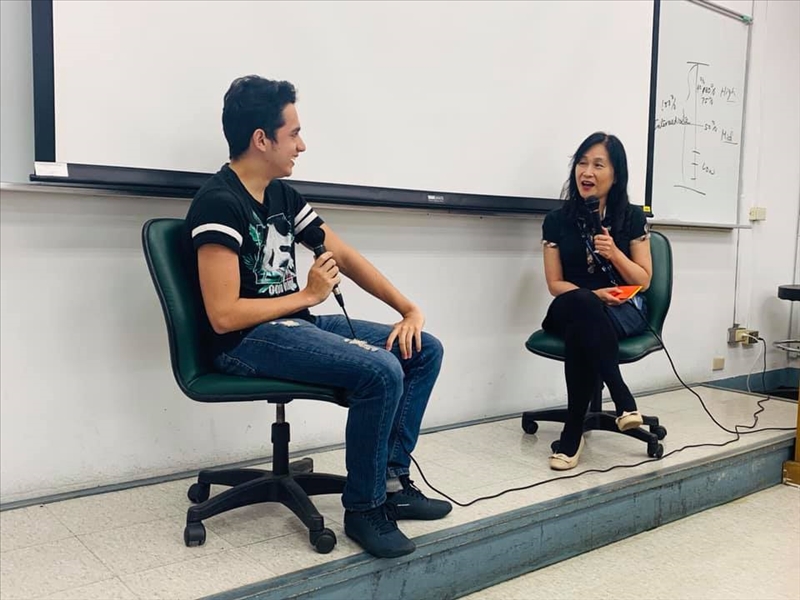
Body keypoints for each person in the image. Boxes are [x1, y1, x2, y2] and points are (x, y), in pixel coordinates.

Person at [185, 75, 451, 558]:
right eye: (294, 134)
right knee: (381, 369)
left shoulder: (282, 196)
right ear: (261, 139)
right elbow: (223, 316)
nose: (302, 145)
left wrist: (407, 309)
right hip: (243, 342)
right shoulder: (218, 203)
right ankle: (365, 509)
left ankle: (392, 483)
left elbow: (342, 254)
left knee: (421, 349)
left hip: (293, 325)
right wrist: (307, 295)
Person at [540, 132, 653, 471]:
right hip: (570, 304)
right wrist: (591, 295)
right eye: (582, 163)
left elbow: (643, 280)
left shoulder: (631, 217)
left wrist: (615, 253)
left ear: (615, 175)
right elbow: (555, 284)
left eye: (598, 165)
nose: (587, 172)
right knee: (583, 305)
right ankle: (621, 396)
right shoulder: (556, 220)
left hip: (621, 309)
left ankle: (572, 433)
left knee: (583, 331)